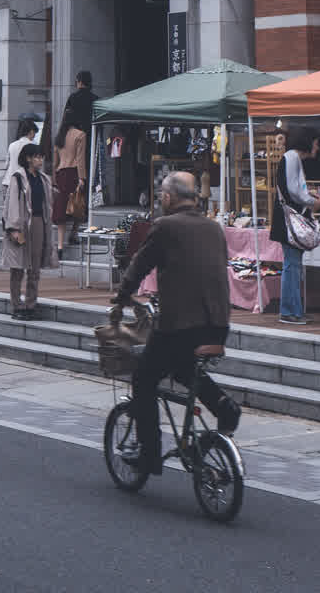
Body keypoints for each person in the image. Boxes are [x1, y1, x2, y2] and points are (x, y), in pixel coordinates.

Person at [110, 171, 241, 475]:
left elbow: (139, 266)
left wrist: (121, 298)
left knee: (144, 379)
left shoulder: (165, 226)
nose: (159, 201)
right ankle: (223, 406)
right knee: (183, 370)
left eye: (160, 197)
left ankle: (150, 453)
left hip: (181, 324)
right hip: (218, 324)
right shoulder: (214, 228)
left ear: (168, 198)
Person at [269, 126, 320, 324]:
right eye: (315, 142)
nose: (317, 147)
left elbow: (294, 189)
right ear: (307, 141)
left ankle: (294, 310)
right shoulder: (291, 157)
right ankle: (289, 311)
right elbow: (293, 190)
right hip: (288, 221)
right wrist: (311, 201)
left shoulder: (292, 158)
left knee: (294, 265)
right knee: (292, 266)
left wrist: (308, 197)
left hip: (287, 220)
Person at [0, 141, 57, 319]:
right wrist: (14, 228)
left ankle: (31, 304)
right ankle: (17, 305)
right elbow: (12, 205)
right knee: (18, 267)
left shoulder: (44, 178)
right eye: (37, 157)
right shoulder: (18, 177)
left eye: (41, 156)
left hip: (39, 223)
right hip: (22, 225)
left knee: (35, 267)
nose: (41, 160)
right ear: (28, 159)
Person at [54, 72, 94, 244]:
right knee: (80, 197)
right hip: (89, 144)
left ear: (78, 82)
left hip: (62, 170)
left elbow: (56, 158)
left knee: (64, 202)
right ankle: (75, 232)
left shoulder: (60, 136)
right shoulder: (95, 99)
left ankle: (62, 242)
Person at [0, 115, 42, 189]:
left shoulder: (12, 145)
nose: (34, 136)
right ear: (31, 131)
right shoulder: (33, 145)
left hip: (8, 181)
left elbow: (6, 164)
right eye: (35, 133)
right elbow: (35, 165)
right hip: (23, 182)